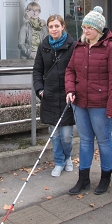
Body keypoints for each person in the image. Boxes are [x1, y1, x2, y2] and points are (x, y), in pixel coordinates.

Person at [65, 7, 112, 195]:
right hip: (80, 102)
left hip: (101, 104)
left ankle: (105, 177)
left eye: (90, 28)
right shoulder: (79, 46)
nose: (86, 31)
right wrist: (71, 89)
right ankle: (84, 179)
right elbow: (70, 70)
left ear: (99, 29)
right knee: (85, 140)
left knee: (104, 140)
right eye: (84, 27)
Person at [33, 14, 76, 177]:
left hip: (66, 95)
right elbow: (37, 70)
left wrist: (73, 90)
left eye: (57, 26)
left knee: (66, 135)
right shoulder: (44, 46)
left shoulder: (72, 45)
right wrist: (40, 90)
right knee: (55, 134)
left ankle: (68, 157)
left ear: (63, 26)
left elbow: (77, 69)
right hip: (49, 96)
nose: (54, 29)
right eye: (51, 27)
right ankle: (59, 162)